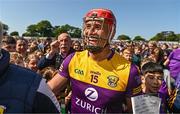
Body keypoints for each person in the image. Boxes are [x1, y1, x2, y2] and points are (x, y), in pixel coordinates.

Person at [48, 8, 142, 113]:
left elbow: (136, 111)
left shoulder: (129, 70)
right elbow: (49, 90)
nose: (90, 32)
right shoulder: (73, 59)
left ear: (112, 32)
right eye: (88, 26)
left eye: (98, 27)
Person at [0, 22, 60, 113]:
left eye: (24, 45)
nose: (22, 47)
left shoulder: (35, 84)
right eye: (19, 45)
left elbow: (40, 66)